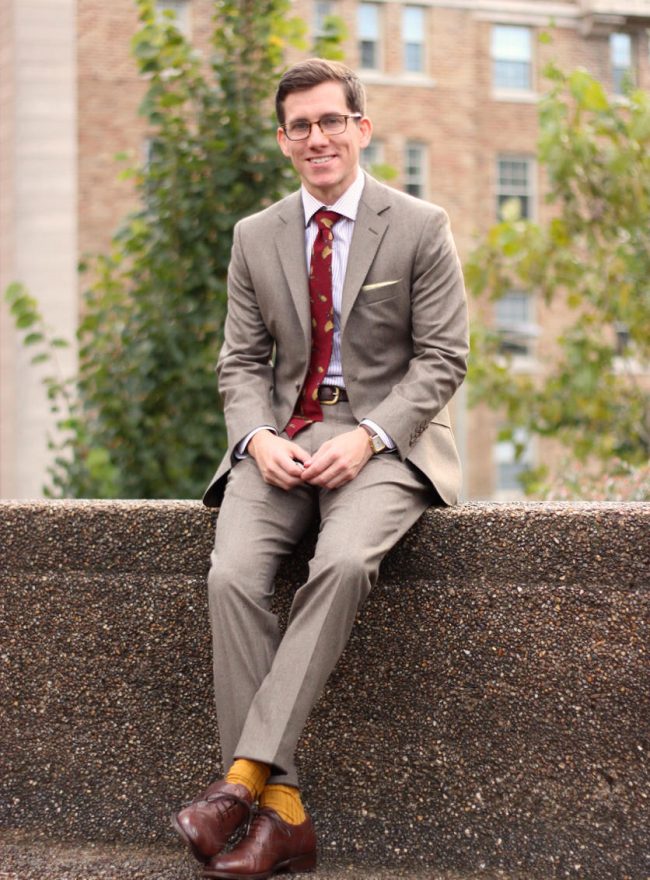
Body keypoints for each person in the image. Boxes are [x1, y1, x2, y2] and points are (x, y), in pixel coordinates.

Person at [172, 58, 468, 879]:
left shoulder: (419, 224)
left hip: (386, 444)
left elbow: (444, 359)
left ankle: (240, 781)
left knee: (339, 562)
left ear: (360, 128)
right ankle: (286, 814)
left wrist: (369, 435)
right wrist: (257, 437)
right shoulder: (253, 236)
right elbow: (239, 364)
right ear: (283, 141)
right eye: (300, 125)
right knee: (231, 576)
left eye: (331, 120)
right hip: (284, 440)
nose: (317, 137)